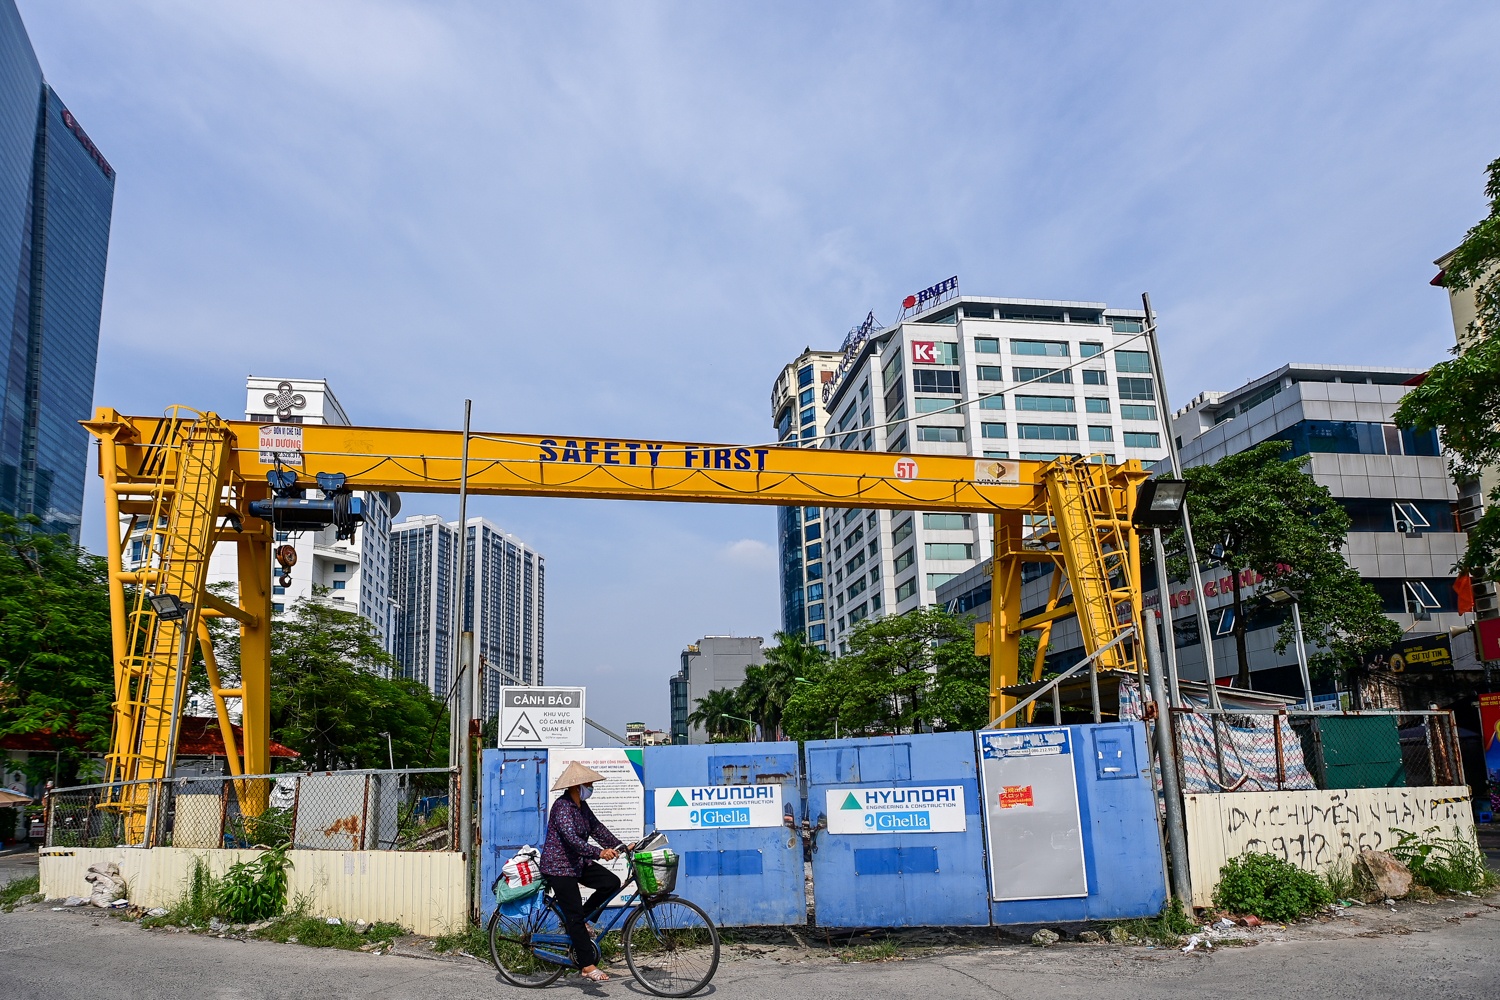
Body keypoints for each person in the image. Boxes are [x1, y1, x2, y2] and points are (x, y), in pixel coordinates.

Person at [540, 760, 627, 983]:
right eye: (587, 783)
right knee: (574, 915)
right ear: (575, 786)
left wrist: (621, 846)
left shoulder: (582, 807)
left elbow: (597, 829)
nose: (590, 787)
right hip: (559, 867)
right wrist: (599, 853)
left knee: (611, 882)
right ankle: (587, 966)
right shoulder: (562, 807)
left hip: (577, 864)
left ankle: (584, 921)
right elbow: (572, 841)